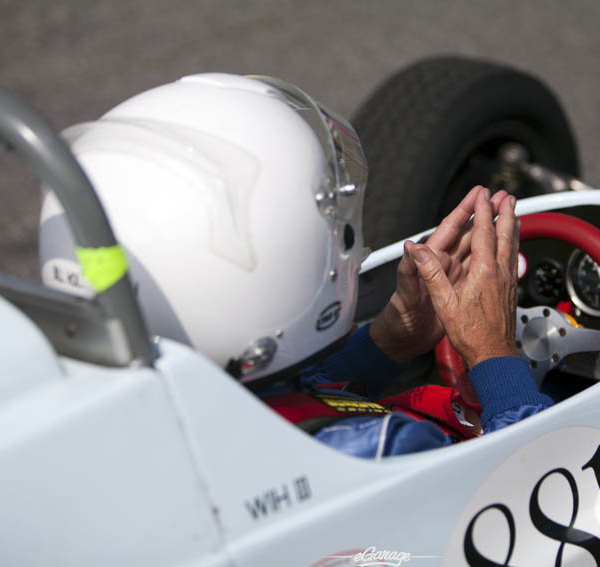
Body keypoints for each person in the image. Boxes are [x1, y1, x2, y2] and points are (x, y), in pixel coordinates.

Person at [38, 73, 553, 458]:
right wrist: (493, 353)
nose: (345, 246)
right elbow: (540, 498)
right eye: (333, 223)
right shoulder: (389, 451)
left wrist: (383, 345)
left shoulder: (72, 409)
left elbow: (258, 400)